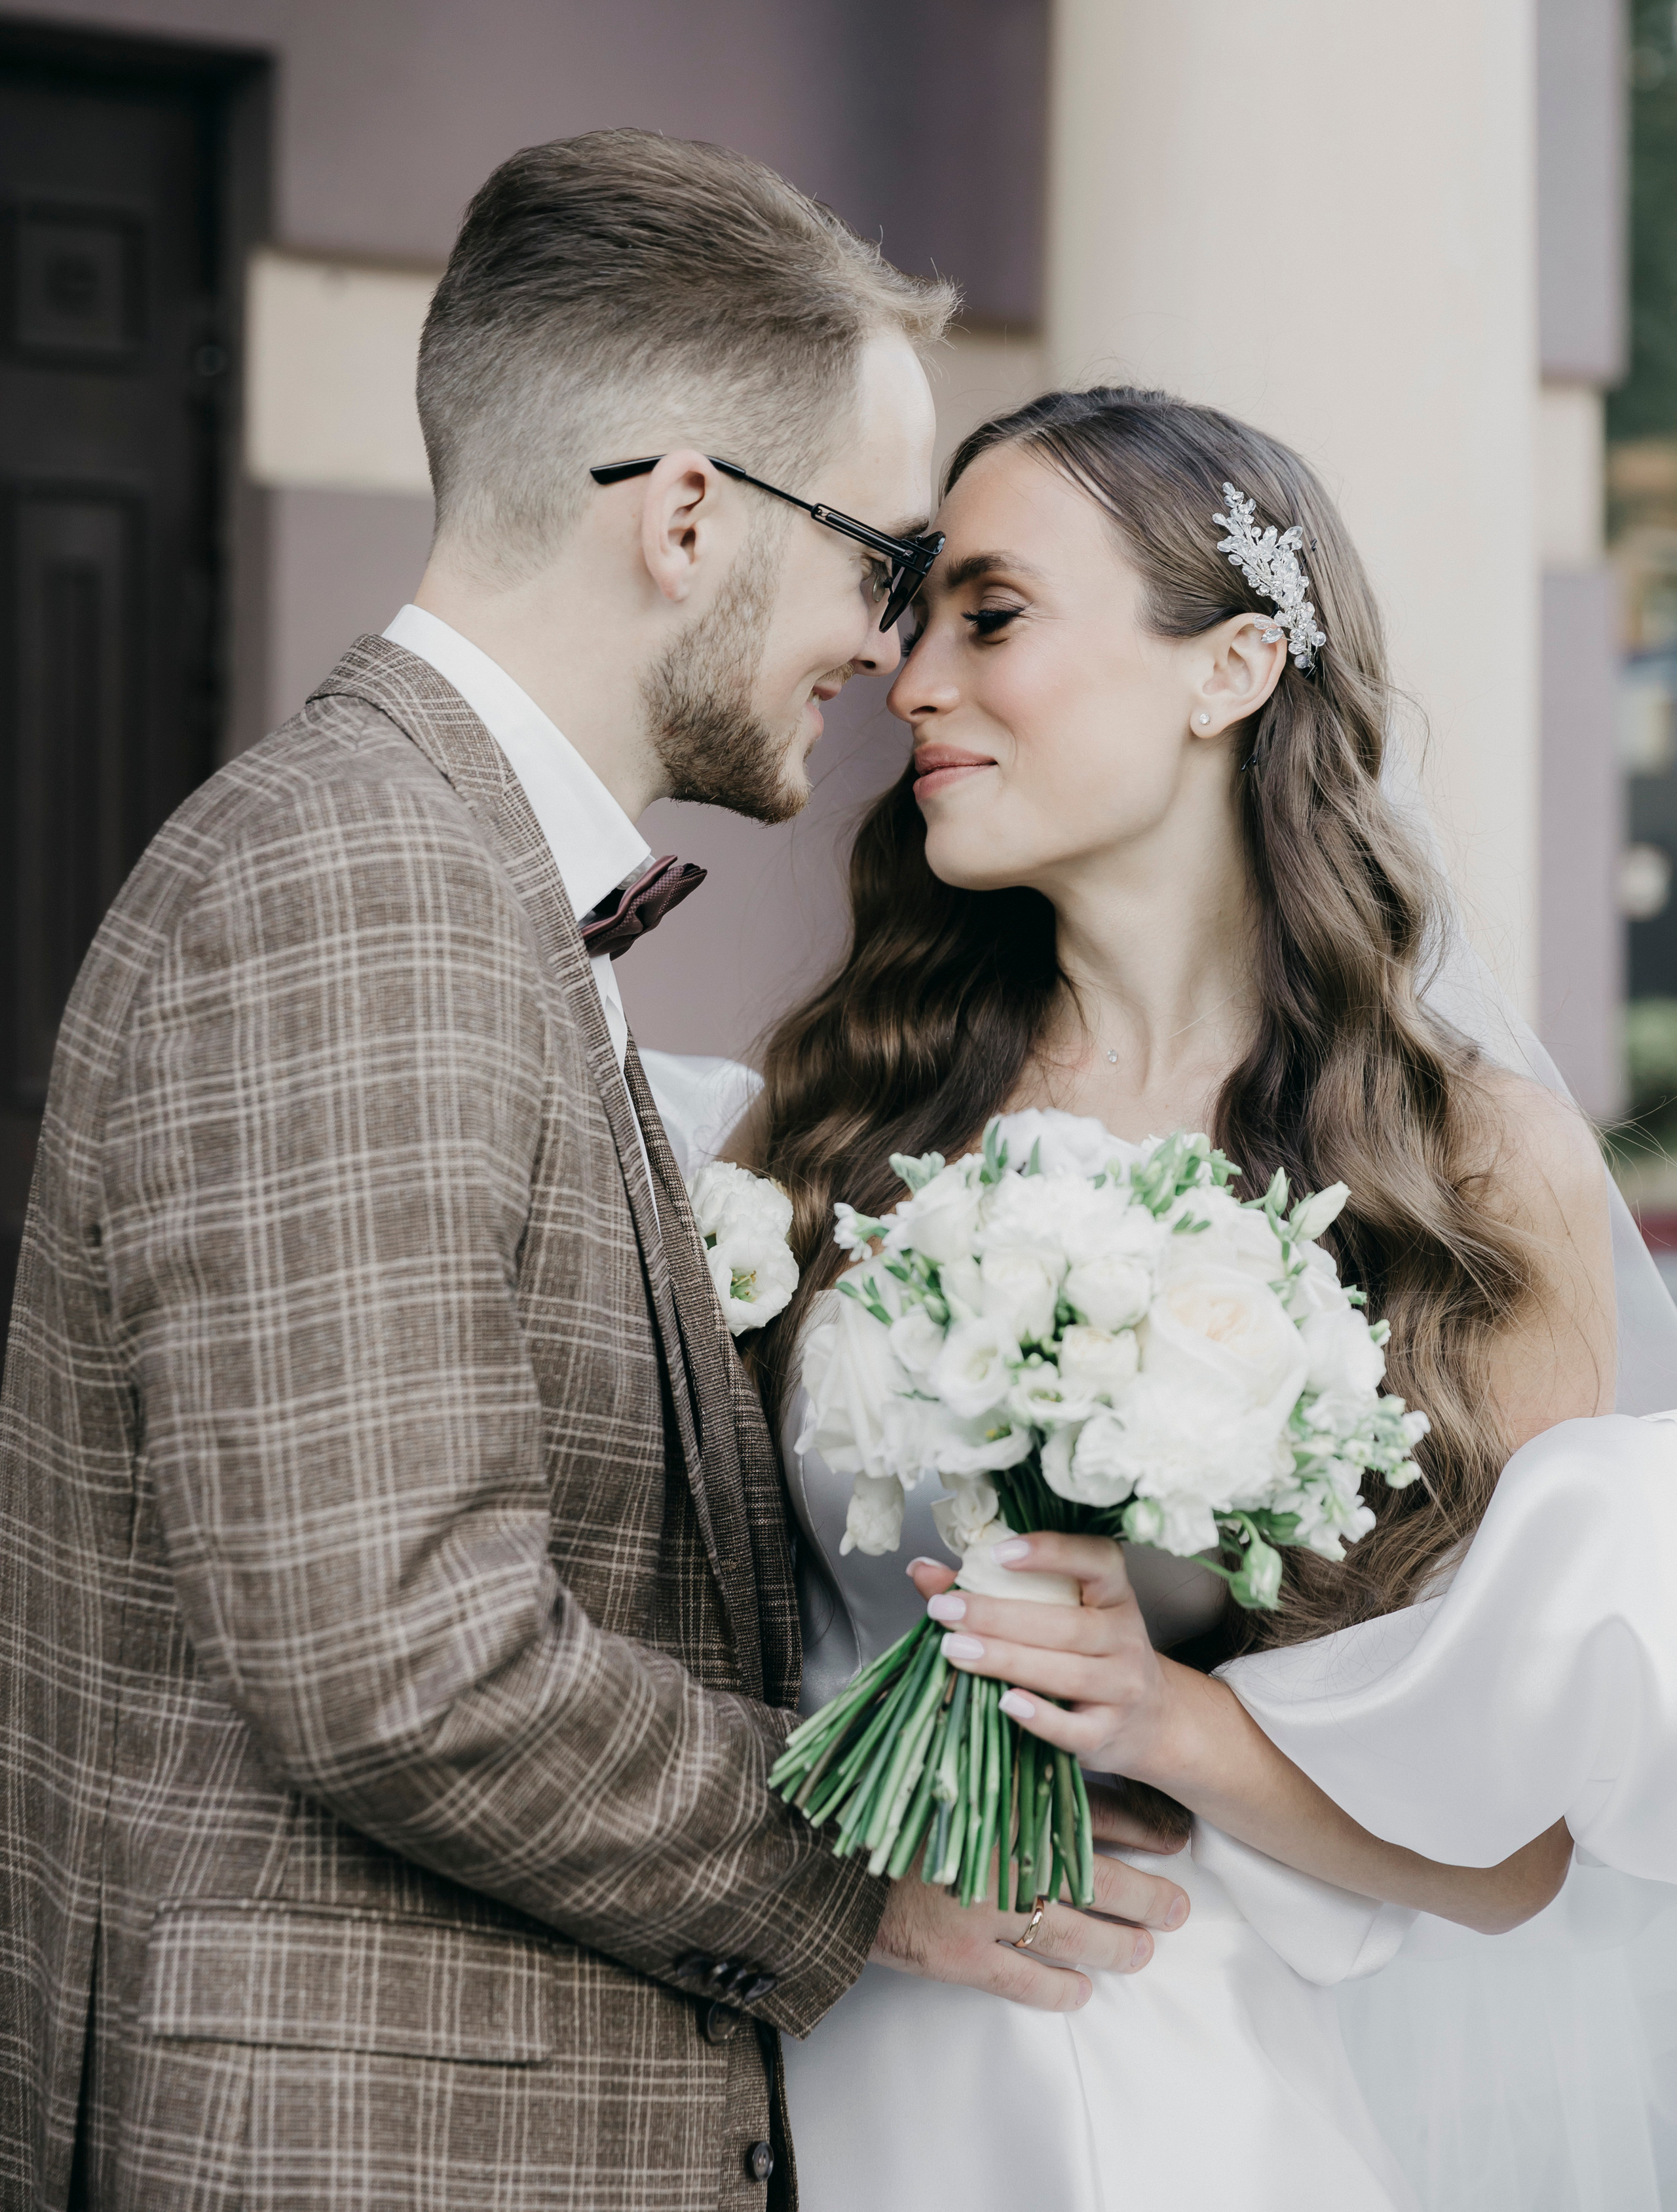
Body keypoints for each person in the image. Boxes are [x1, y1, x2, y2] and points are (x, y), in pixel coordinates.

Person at [0, 145, 1200, 2212]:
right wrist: (866, 1881)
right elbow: (405, 1657)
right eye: (878, 563)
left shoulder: (443, 872)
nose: (886, 649)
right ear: (686, 516)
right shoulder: (357, 888)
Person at [674, 385, 1677, 2211]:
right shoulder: (827, 1112)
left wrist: (1165, 1718)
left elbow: (1510, 1852)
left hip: (1178, 2094)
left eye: (989, 616)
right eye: (909, 625)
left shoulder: (1467, 1166)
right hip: (807, 2063)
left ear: (1230, 670)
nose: (910, 683)